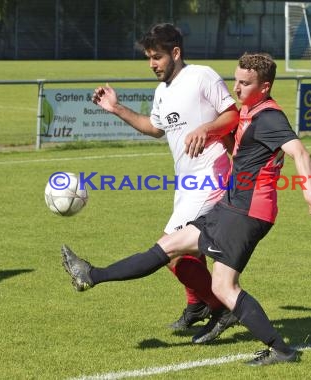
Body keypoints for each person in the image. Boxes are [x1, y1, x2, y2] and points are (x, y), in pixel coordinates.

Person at [62, 52, 311, 365]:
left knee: (224, 286)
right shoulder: (249, 111)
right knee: (171, 247)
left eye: (245, 84)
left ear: (265, 87)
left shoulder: (269, 117)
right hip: (231, 206)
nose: (237, 88)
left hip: (247, 213)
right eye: (236, 80)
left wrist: (310, 192)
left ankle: (283, 351)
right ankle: (91, 274)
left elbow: (299, 152)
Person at [89, 23, 239, 335]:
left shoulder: (201, 76)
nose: (152, 64)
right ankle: (198, 304)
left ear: (175, 53)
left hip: (212, 176)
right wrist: (115, 108)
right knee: (189, 253)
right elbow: (155, 128)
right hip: (187, 183)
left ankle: (222, 307)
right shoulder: (162, 92)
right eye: (148, 58)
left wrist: (206, 130)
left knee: (170, 251)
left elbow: (232, 114)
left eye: (156, 57)